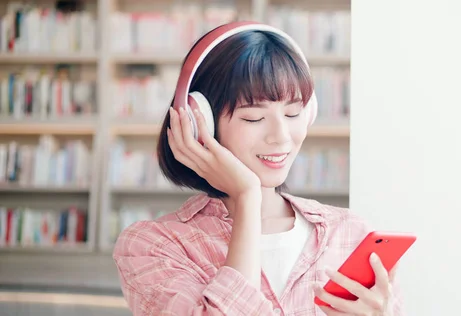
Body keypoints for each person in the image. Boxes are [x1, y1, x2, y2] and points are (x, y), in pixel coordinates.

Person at [112, 22, 405, 316]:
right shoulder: (154, 246)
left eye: (293, 113)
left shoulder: (350, 234)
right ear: (200, 123)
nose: (281, 136)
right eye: (254, 118)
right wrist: (247, 196)